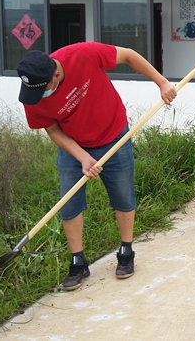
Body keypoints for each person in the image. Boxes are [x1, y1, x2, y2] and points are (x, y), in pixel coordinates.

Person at [17, 42, 176, 290]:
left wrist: (162, 83)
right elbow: (53, 131)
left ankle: (126, 251)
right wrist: (82, 156)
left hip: (114, 134)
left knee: (123, 195)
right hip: (73, 144)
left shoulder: (82, 55)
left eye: (43, 89)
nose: (38, 96)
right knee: (69, 202)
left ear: (55, 74)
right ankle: (78, 262)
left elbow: (129, 55)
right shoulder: (33, 95)